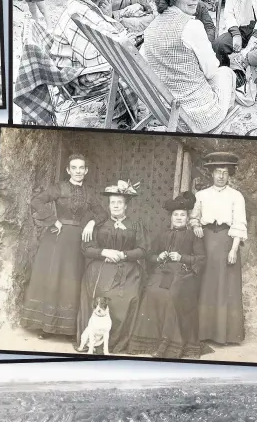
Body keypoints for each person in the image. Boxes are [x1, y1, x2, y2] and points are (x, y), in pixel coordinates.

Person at [142, 0, 236, 134]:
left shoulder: (150, 30)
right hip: (200, 119)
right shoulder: (191, 26)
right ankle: (224, 131)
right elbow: (211, 71)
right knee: (226, 73)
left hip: (168, 116)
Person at [21, 154, 105, 338]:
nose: (78, 171)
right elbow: (36, 201)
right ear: (68, 170)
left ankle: (67, 328)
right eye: (74, 168)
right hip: (56, 239)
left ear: (86, 171)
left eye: (81, 168)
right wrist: (52, 221)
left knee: (71, 280)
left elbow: (102, 214)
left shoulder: (90, 193)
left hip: (77, 241)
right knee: (54, 277)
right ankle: (46, 327)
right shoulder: (59, 188)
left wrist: (91, 222)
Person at [129, 191, 205, 359]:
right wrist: (159, 257)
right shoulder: (162, 233)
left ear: (187, 217)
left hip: (184, 275)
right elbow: (150, 255)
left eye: (182, 215)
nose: (179, 218)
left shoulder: (194, 235)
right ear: (171, 217)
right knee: (151, 293)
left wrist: (182, 257)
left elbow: (200, 258)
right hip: (162, 272)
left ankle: (167, 344)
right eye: (176, 215)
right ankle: (149, 342)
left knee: (171, 295)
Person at [77, 181, 149, 354]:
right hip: (101, 267)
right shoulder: (98, 224)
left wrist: (124, 255)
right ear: (108, 205)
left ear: (126, 205)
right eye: (112, 203)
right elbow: (86, 248)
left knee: (128, 297)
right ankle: (94, 340)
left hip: (128, 270)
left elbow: (143, 249)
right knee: (102, 292)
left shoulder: (136, 225)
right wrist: (104, 252)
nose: (115, 206)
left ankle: (116, 340)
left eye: (119, 203)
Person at [190, 152, 247, 346]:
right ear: (211, 174)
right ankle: (205, 333)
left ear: (229, 174)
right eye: (217, 172)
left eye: (224, 172)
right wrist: (196, 225)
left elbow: (239, 223)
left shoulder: (236, 196)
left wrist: (234, 250)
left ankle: (227, 335)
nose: (221, 176)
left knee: (225, 287)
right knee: (207, 286)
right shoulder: (201, 195)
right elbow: (194, 217)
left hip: (226, 242)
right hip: (205, 243)